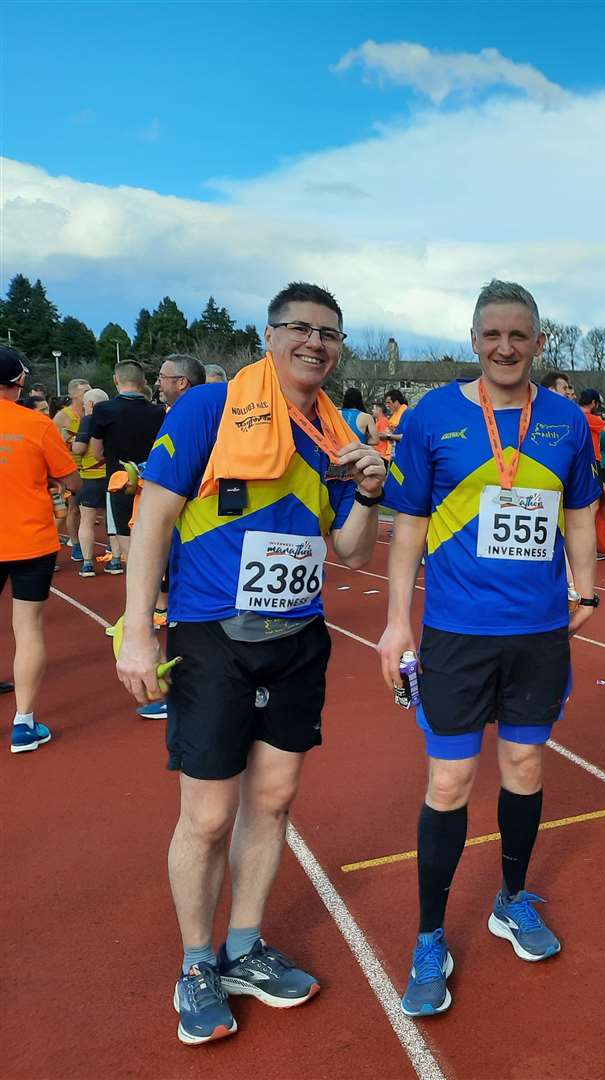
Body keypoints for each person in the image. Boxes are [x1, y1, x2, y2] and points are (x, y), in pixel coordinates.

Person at [114, 282, 386, 1046]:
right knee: (206, 816)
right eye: (299, 328)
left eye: (328, 333)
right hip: (212, 635)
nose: (315, 343)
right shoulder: (208, 409)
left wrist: (367, 489)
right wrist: (139, 629)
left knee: (273, 801)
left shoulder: (339, 434)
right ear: (268, 335)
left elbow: (353, 552)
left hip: (298, 637)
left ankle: (244, 948)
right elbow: (153, 519)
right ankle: (196, 964)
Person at [378, 280, 600, 1017]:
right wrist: (396, 620)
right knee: (448, 784)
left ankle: (510, 899)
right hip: (456, 633)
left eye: (520, 335)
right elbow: (407, 525)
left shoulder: (567, 421)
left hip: (536, 633)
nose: (506, 347)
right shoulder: (433, 415)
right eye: (493, 335)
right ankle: (430, 938)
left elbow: (580, 511)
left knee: (525, 765)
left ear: (540, 342)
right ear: (474, 339)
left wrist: (588, 589)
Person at [1, 347, 80, 753]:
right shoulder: (36, 425)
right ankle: (24, 722)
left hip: (25, 537)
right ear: (17, 383)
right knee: (26, 627)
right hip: (28, 538)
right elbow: (72, 481)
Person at [136, 354, 206, 719]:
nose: (157, 383)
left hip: (196, 537)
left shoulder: (201, 415)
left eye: (163, 377)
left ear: (182, 383)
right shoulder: (166, 416)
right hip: (172, 526)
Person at [88, 360, 166, 576]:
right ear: (144, 382)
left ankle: (136, 600)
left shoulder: (103, 410)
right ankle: (159, 600)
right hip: (152, 482)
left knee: (126, 540)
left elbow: (96, 452)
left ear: (116, 380)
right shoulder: (159, 412)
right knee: (153, 538)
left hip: (120, 482)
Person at [70, 387, 110, 577]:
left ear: (91, 404)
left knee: (86, 520)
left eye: (85, 403)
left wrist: (71, 444)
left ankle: (87, 563)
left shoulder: (89, 419)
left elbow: (78, 448)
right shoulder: (114, 417)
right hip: (112, 475)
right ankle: (116, 560)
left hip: (92, 477)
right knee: (112, 520)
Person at [53, 378, 91, 559]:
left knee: (93, 509)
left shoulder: (92, 412)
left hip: (92, 467)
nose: (88, 394)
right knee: (73, 509)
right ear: (74, 394)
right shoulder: (63, 416)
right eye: (85, 391)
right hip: (71, 468)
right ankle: (75, 543)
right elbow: (52, 443)